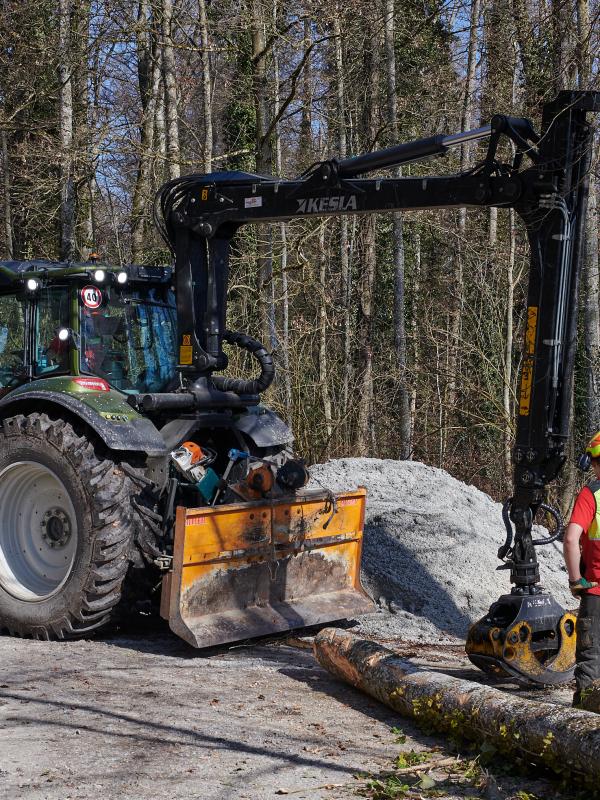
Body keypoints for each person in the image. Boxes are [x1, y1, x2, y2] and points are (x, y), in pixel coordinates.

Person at [563, 431, 600, 708]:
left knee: (590, 658)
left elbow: (571, 539)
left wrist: (576, 580)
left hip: (596, 592)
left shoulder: (591, 495)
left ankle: (583, 723)